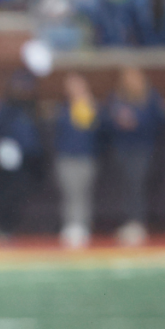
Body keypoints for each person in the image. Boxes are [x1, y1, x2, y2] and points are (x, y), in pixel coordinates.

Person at [104, 66, 165, 246]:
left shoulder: (150, 97)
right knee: (126, 185)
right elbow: (106, 119)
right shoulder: (116, 97)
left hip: (143, 148)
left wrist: (136, 121)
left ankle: (137, 222)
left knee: (137, 184)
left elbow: (159, 120)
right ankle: (129, 221)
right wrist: (119, 121)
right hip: (123, 147)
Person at [0, 70, 43, 242]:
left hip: (27, 160)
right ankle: (2, 227)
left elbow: (34, 136)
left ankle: (11, 226)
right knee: (6, 195)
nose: (22, 90)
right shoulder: (6, 108)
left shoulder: (32, 108)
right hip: (7, 163)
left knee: (20, 194)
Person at [54, 72, 100, 248]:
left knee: (82, 194)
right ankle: (70, 225)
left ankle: (82, 226)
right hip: (66, 156)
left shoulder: (89, 105)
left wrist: (86, 105)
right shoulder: (63, 107)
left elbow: (90, 129)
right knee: (69, 193)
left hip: (85, 157)